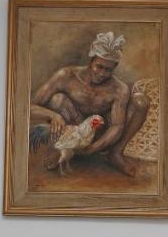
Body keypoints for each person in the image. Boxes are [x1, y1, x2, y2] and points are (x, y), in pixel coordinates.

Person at [30, 32, 150, 177]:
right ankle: (63, 150)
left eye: (108, 70)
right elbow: (30, 107)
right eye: (99, 67)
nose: (102, 73)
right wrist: (53, 115)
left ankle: (115, 153)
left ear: (114, 68)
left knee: (140, 101)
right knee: (57, 99)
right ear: (91, 61)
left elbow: (117, 126)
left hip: (101, 136)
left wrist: (92, 148)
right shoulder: (66, 75)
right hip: (72, 134)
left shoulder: (119, 89)